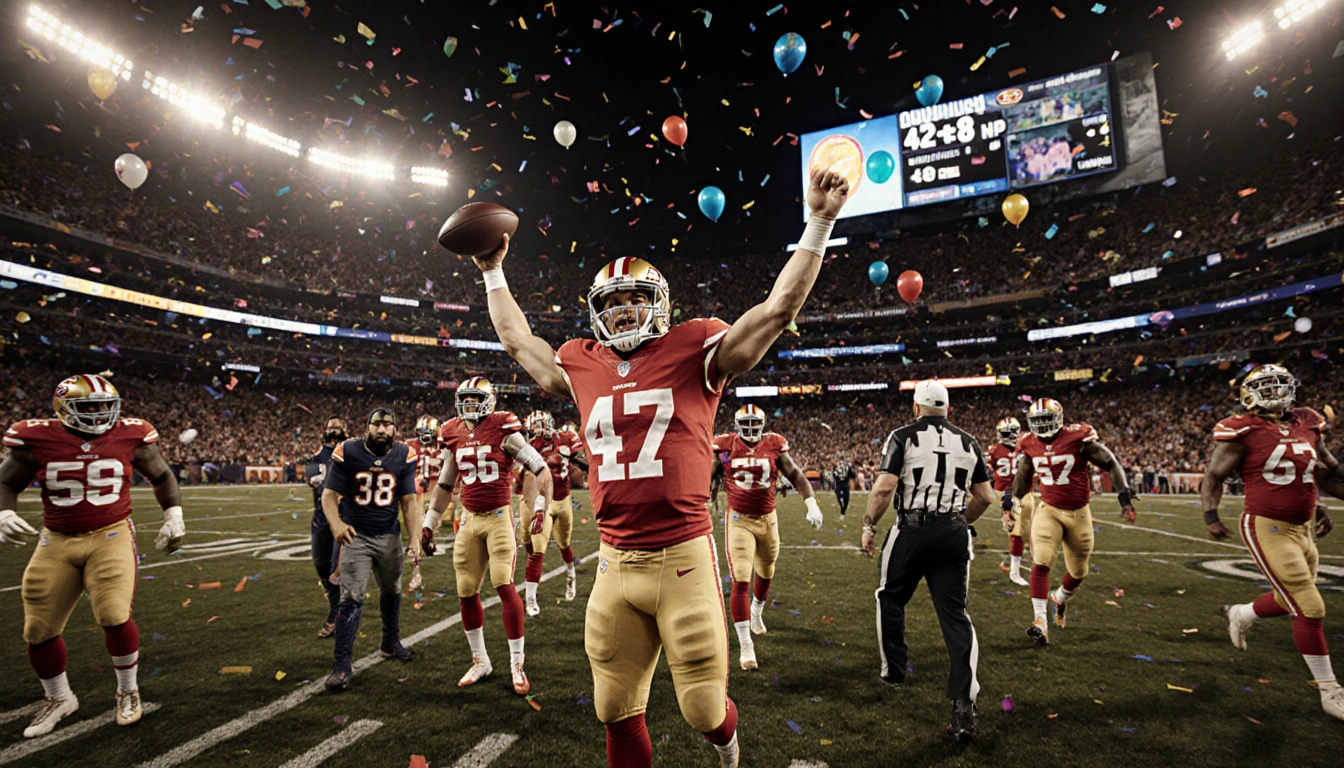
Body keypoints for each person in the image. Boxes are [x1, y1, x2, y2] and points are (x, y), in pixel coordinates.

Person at [465, 168, 850, 768]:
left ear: (660, 305)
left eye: (633, 301)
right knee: (613, 710)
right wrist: (492, 269)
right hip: (616, 562)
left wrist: (820, 221)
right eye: (611, 304)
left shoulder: (696, 347)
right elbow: (520, 343)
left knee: (704, 712)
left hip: (683, 557)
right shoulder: (581, 361)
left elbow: (776, 312)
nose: (621, 313)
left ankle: (729, 753)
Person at [0, 374, 185, 737]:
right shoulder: (34, 437)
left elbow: (162, 476)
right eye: (90, 407)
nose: (100, 414)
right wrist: (3, 512)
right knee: (37, 627)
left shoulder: (131, 434)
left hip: (111, 533)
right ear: (64, 409)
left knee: (114, 613)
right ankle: (59, 698)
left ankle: (127, 689)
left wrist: (173, 516)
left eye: (106, 406)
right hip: (56, 538)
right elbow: (5, 481)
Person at [1200, 364, 1344, 720]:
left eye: (1280, 384)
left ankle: (1241, 613)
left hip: (1303, 527)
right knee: (1310, 606)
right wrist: (1210, 515)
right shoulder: (1243, 428)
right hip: (1267, 525)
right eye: (1265, 386)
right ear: (1249, 394)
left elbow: (1325, 470)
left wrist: (1322, 504)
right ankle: (1330, 692)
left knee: (1288, 598)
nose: (1274, 391)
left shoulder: (1308, 421)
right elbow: (1214, 475)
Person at [859, 380, 995, 743]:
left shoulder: (903, 436)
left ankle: (895, 671)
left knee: (890, 596)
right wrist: (959, 521)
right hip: (953, 531)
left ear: (916, 407)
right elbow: (985, 497)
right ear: (947, 408)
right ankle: (964, 705)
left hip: (913, 530)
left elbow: (885, 488)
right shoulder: (969, 440)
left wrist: (869, 524)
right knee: (955, 616)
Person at [422, 377, 553, 695]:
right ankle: (480, 660)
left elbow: (541, 469)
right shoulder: (452, 430)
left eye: (474, 399)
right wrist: (429, 524)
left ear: (489, 400)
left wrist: (539, 508)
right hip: (468, 520)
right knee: (466, 590)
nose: (468, 406)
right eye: (464, 399)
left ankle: (516, 663)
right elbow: (444, 484)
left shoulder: (503, 426)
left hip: (498, 519)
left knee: (504, 585)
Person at [1005, 398, 1133, 645]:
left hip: (1079, 513)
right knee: (1041, 560)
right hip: (1049, 510)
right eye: (1037, 421)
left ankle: (1059, 598)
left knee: (1078, 572)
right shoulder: (1030, 443)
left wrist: (1124, 496)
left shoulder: (1078, 437)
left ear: (1058, 419)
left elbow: (1110, 463)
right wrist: (1012, 503)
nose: (1042, 426)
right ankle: (1040, 621)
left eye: (1046, 420)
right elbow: (1023, 475)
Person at [711, 405, 824, 670]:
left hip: (768, 519)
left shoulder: (774, 444)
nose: (750, 428)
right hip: (739, 519)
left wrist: (811, 503)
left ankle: (756, 613)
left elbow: (795, 474)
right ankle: (746, 645)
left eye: (754, 423)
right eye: (745, 423)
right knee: (740, 577)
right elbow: (709, 475)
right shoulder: (726, 446)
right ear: (738, 425)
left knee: (766, 571)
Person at [320, 408, 421, 691]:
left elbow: (410, 501)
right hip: (356, 535)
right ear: (367, 427)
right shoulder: (348, 451)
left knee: (392, 590)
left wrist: (414, 538)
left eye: (388, 425)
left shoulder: (404, 454)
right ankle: (341, 664)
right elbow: (329, 496)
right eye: (377, 425)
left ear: (394, 429)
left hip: (389, 535)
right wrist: (336, 523)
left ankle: (390, 642)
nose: (382, 430)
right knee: (350, 596)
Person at [519, 410, 589, 615]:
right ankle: (530, 598)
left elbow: (580, 460)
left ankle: (571, 575)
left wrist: (587, 466)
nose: (538, 431)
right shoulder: (529, 447)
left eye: (541, 425)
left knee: (564, 544)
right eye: (534, 428)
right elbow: (519, 476)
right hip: (543, 502)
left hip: (564, 500)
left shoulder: (566, 438)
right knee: (538, 548)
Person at [305, 416, 347, 638]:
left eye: (338, 427)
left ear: (345, 430)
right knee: (320, 564)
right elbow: (313, 482)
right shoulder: (316, 457)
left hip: (343, 520)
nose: (334, 430)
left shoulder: (351, 453)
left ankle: (336, 614)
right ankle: (337, 606)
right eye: (331, 427)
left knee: (336, 571)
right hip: (321, 521)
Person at [987, 417, 1032, 586]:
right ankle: (1014, 571)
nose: (1011, 436)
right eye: (1007, 433)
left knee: (1027, 530)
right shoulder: (994, 451)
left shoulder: (1026, 446)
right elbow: (990, 471)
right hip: (1007, 491)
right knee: (1017, 532)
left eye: (1013, 432)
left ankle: (1013, 558)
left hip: (1027, 491)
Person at [832, 456, 857, 520]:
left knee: (841, 498)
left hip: (840, 484)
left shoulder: (837, 466)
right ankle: (842, 512)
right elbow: (852, 475)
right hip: (844, 484)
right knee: (845, 499)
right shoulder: (847, 466)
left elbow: (834, 475)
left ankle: (842, 511)